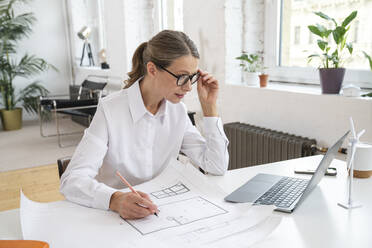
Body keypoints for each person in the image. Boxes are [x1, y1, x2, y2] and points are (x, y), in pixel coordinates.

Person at [60, 30, 229, 220]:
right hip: (115, 218)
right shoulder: (110, 110)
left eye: (192, 77)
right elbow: (71, 181)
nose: (189, 87)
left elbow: (216, 166)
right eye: (182, 77)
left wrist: (210, 108)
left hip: (163, 214)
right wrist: (115, 200)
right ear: (152, 69)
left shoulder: (178, 112)